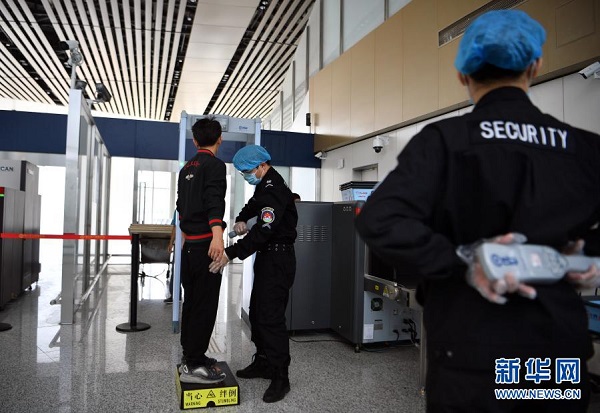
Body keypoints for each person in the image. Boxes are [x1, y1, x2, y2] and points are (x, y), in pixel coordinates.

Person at [355, 10, 600, 412]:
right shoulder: (584, 148)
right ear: (535, 65)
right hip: (557, 353)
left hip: (471, 356)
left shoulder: (445, 141)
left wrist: (466, 261)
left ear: (462, 74)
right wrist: (583, 253)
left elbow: (379, 219)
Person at [209, 145, 298, 403]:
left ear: (262, 165)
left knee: (271, 318)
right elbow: (252, 206)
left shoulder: (274, 189)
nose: (245, 176)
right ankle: (263, 361)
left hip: (278, 259)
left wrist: (230, 253)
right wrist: (241, 218)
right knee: (258, 312)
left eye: (247, 171)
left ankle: (281, 377)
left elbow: (262, 232)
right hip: (268, 257)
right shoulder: (264, 186)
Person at [176, 116, 227, 384]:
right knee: (205, 305)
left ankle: (191, 355)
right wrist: (217, 237)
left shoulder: (185, 168)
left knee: (192, 302)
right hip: (208, 246)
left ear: (195, 141)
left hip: (190, 247)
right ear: (220, 139)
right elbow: (213, 200)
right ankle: (194, 364)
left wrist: (185, 236)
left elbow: (180, 206)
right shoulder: (215, 165)